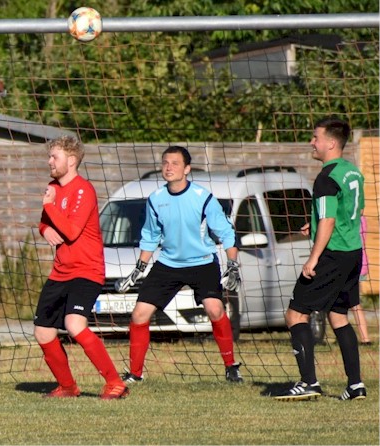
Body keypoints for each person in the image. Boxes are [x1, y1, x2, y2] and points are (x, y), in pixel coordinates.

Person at [117, 146, 243, 384]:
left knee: (215, 309)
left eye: (175, 163)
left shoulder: (203, 197)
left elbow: (227, 233)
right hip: (168, 264)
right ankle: (135, 374)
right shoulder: (155, 199)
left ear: (186, 169)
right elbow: (150, 236)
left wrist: (232, 264)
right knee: (139, 314)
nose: (169, 167)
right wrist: (139, 269)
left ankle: (231, 367)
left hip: (202, 263)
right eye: (165, 162)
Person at [274, 117, 367, 401]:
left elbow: (328, 219)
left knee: (295, 314)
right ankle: (355, 385)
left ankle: (308, 382)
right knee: (338, 316)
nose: (311, 142)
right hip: (352, 252)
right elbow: (347, 211)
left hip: (332, 254)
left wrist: (313, 258)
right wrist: (313, 225)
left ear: (331, 143)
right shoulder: (352, 172)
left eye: (316, 137)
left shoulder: (326, 178)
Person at [34, 135, 129, 400]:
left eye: (55, 157)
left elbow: (72, 232)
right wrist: (44, 230)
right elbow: (46, 222)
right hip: (60, 271)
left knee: (74, 324)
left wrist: (48, 205)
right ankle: (67, 387)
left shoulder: (83, 190)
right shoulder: (53, 188)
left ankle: (115, 383)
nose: (50, 161)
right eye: (50, 156)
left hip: (86, 270)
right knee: (43, 331)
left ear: (72, 160)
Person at [351, 215, 371, 345]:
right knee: (347, 302)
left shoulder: (351, 220)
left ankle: (365, 338)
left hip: (353, 265)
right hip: (361, 264)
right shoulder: (362, 219)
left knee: (354, 303)